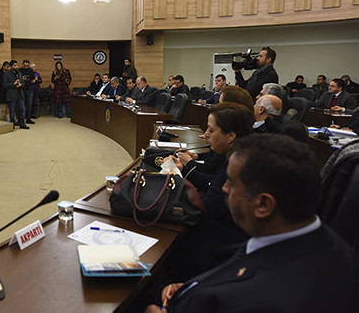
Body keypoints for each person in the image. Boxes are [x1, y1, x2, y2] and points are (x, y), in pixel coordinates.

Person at [145, 134, 359, 313]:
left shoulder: (264, 302)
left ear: (263, 204)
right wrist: (193, 287)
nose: (225, 189)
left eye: (231, 182)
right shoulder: (320, 240)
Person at [162, 103, 254, 280]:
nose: (207, 135)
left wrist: (175, 181)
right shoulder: (241, 153)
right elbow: (215, 184)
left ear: (230, 136)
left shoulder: (236, 164)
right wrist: (185, 171)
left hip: (218, 245)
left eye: (211, 131)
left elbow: (207, 207)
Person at [3, 60, 29, 129]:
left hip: (20, 94)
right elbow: (4, 85)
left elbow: (23, 83)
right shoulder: (7, 74)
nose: (16, 67)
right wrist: (13, 84)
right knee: (12, 111)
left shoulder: (19, 73)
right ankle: (12, 125)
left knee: (22, 109)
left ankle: (22, 124)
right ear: (11, 66)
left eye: (17, 65)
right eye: (15, 65)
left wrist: (21, 85)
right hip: (11, 95)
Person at [19, 59, 35, 124]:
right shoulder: (20, 70)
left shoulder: (31, 70)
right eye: (25, 65)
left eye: (27, 65)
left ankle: (28, 119)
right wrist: (22, 79)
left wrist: (33, 80)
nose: (26, 66)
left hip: (29, 89)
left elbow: (32, 78)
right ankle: (20, 119)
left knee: (29, 105)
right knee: (21, 105)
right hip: (22, 89)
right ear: (23, 64)